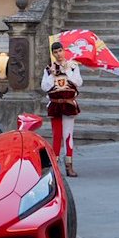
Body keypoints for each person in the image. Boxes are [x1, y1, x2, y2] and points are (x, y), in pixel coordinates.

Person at [40, 40, 82, 178]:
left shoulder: (73, 66)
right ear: (53, 54)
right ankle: (55, 166)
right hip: (55, 104)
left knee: (68, 135)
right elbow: (44, 87)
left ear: (64, 51)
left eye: (60, 51)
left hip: (68, 104)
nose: (58, 54)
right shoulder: (48, 69)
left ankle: (69, 165)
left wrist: (66, 70)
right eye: (55, 52)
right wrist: (53, 74)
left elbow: (78, 82)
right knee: (56, 135)